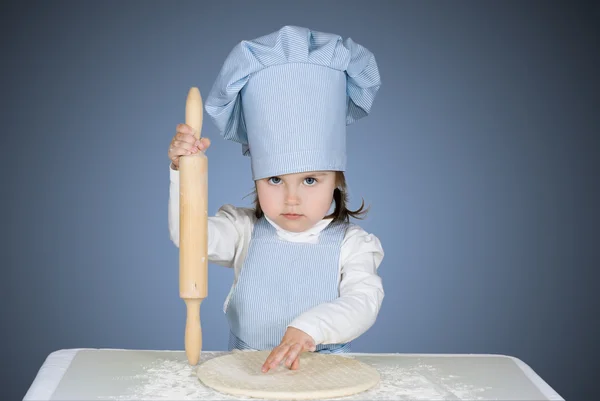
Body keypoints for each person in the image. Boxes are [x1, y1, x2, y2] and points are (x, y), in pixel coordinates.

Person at [167, 25, 384, 373]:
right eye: (275, 179)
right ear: (256, 178)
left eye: (310, 180)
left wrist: (308, 329)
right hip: (244, 375)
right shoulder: (242, 232)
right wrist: (183, 171)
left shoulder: (352, 246)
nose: (291, 198)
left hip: (326, 380)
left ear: (336, 181)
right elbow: (188, 238)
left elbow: (363, 302)